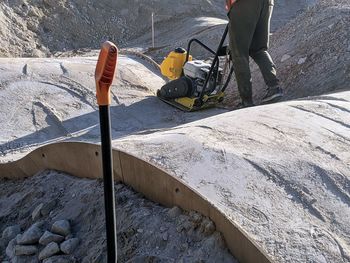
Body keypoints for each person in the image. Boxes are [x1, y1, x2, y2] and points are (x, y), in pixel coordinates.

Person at [226, 0, 283, 107]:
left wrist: (231, 8)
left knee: (239, 53)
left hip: (244, 4)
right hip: (267, 3)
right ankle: (274, 87)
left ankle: (246, 101)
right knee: (258, 49)